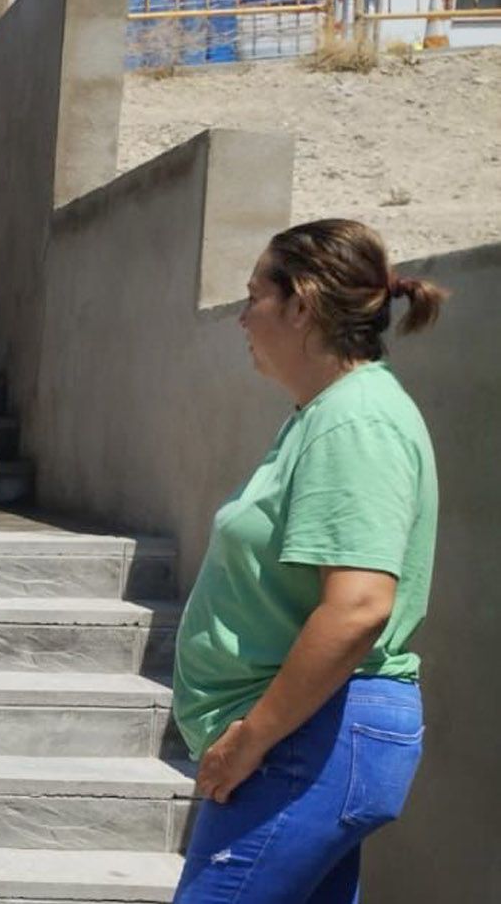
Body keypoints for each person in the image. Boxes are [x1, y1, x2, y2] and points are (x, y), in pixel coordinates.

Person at [172, 218, 447, 903]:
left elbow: (358, 605)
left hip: (306, 741)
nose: (241, 317)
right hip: (310, 739)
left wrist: (249, 740)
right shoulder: (327, 413)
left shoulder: (354, 418)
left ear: (302, 303)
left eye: (253, 296)